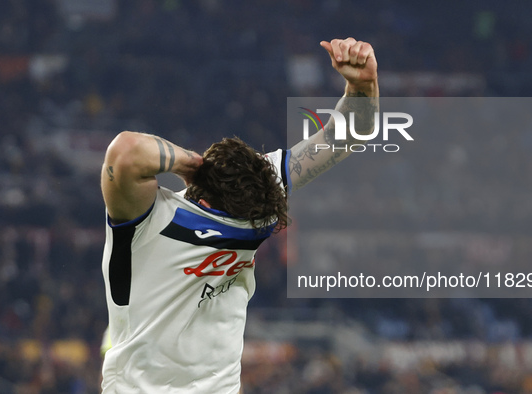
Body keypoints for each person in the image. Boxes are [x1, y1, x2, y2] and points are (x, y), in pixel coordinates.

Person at [100, 37, 379, 393]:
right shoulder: (154, 221)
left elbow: (127, 152)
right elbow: (349, 134)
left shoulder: (159, 215)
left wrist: (193, 164)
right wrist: (362, 84)